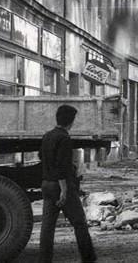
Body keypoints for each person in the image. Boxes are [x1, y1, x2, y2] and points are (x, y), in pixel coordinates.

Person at [39, 105, 96, 263]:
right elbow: (61, 166)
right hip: (61, 187)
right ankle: (88, 258)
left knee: (47, 227)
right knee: (79, 223)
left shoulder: (47, 136)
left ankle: (44, 261)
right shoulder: (64, 138)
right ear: (70, 121)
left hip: (47, 185)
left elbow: (41, 157)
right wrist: (64, 190)